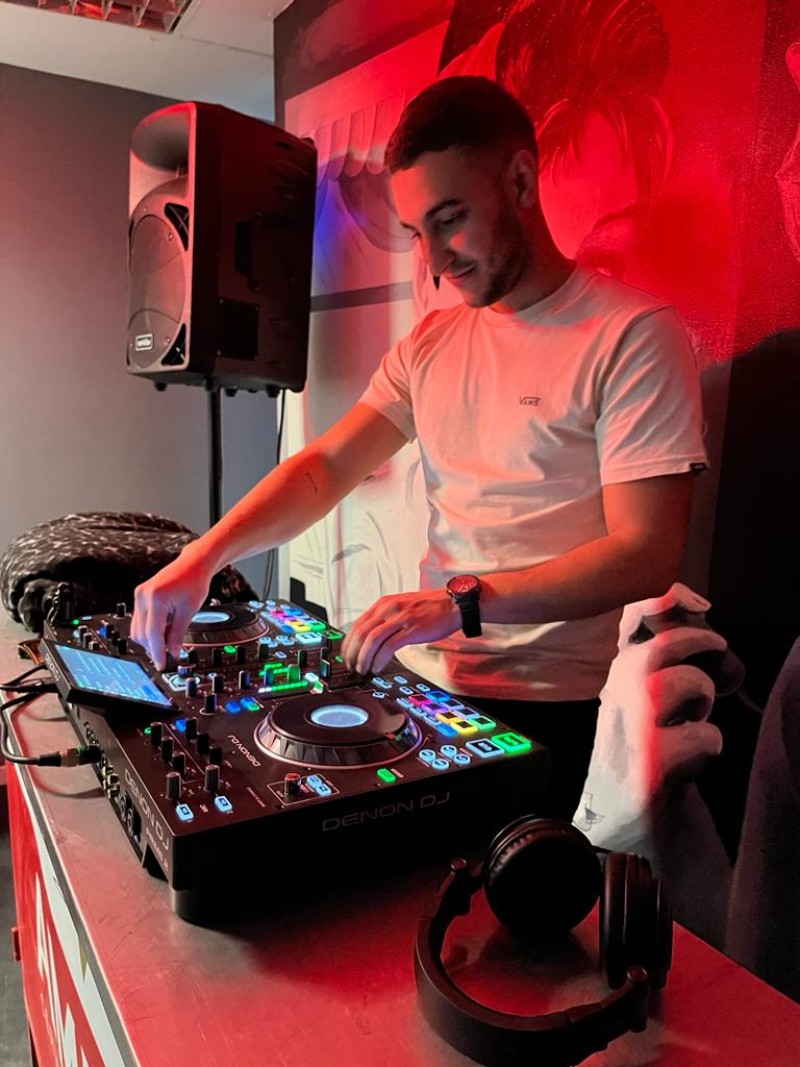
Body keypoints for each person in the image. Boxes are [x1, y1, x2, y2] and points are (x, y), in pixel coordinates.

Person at [131, 76, 707, 820]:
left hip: (547, 706)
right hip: (420, 684)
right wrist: (201, 558)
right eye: (415, 232)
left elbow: (646, 551)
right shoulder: (431, 342)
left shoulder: (633, 335)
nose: (434, 259)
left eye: (450, 219)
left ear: (521, 180)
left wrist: (460, 604)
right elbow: (324, 468)